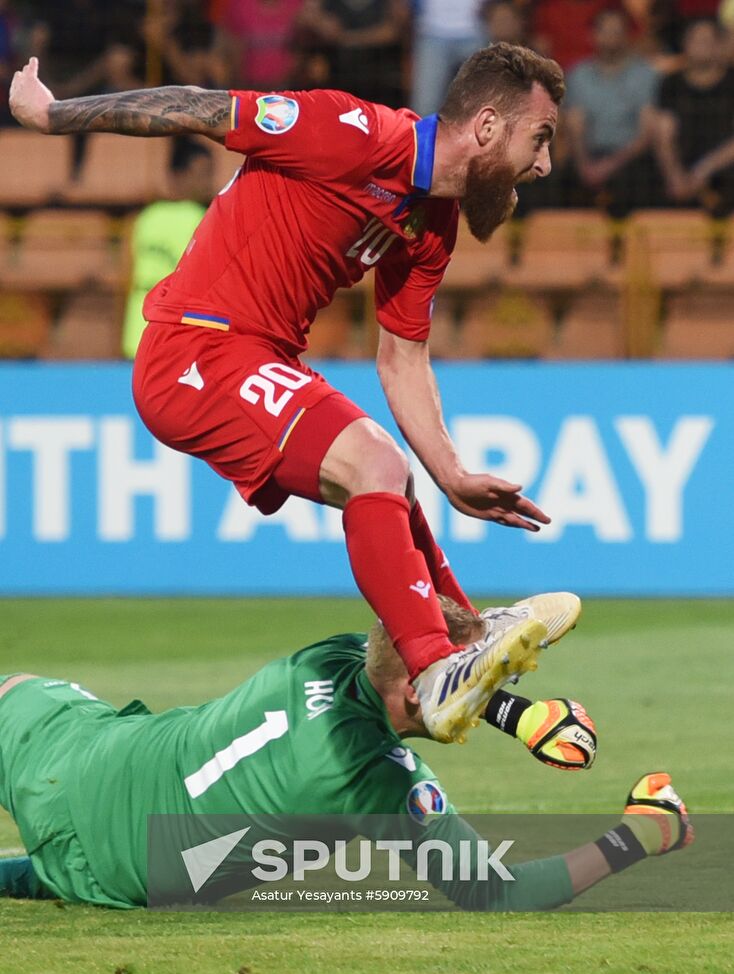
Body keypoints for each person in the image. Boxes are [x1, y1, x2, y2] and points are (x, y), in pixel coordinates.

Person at [9, 45, 563, 746]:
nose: (543, 165)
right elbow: (203, 108)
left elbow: (402, 356)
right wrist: (52, 115)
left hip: (258, 356)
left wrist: (450, 473)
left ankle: (468, 637)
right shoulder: (349, 131)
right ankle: (433, 667)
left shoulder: (433, 221)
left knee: (392, 494)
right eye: (538, 138)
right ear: (487, 127)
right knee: (375, 466)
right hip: (194, 346)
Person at [0, 596, 692, 910]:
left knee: (17, 687)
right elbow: (498, 892)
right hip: (113, 874)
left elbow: (412, 664)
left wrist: (520, 713)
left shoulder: (327, 655)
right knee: (77, 865)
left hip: (79, 758)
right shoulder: (378, 783)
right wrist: (638, 836)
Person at [122, 138, 214, 359]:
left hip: (138, 335)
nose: (207, 183)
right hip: (176, 339)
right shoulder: (203, 220)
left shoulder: (144, 217)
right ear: (178, 174)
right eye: (202, 174)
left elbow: (125, 276)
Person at [565, 7, 660, 215]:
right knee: (556, 180)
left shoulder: (645, 74)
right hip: (587, 156)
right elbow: (572, 125)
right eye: (605, 32)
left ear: (627, 36)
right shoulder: (577, 75)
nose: (611, 38)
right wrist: (585, 166)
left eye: (617, 32)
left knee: (638, 180)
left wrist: (608, 166)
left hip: (631, 158)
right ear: (592, 36)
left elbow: (646, 134)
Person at [654, 17, 734, 213]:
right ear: (685, 44)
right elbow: (663, 134)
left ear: (719, 45)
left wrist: (704, 169)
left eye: (708, 41)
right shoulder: (671, 82)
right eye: (696, 41)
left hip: (722, 164)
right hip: (680, 165)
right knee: (641, 177)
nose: (702, 47)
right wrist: (674, 175)